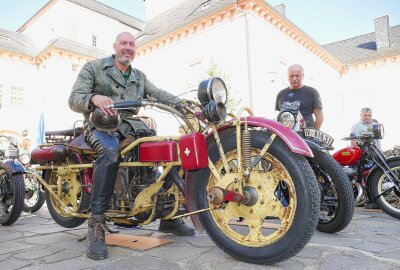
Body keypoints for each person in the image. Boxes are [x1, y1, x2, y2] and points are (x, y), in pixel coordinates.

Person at [69, 32, 194, 260]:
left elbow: (159, 94)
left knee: (172, 150)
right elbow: (74, 98)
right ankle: (96, 224)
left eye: (131, 44)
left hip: (133, 127)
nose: (128, 47)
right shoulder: (94, 67)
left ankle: (168, 214)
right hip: (101, 124)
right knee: (109, 152)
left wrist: (185, 105)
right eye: (124, 43)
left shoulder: (139, 76)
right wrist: (94, 98)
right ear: (115, 46)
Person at [275, 64, 324, 130]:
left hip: (305, 136)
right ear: (287, 77)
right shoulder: (281, 94)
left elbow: (320, 118)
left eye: (297, 76)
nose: (294, 78)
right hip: (285, 134)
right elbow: (280, 116)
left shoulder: (311, 92)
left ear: (303, 76)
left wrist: (313, 135)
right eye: (291, 76)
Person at [350, 107, 381, 210]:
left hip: (376, 155)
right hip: (366, 157)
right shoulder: (356, 127)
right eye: (365, 115)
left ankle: (374, 201)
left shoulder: (374, 125)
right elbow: (353, 143)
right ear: (361, 115)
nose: (367, 117)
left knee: (376, 177)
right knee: (369, 179)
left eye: (369, 115)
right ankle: (372, 201)